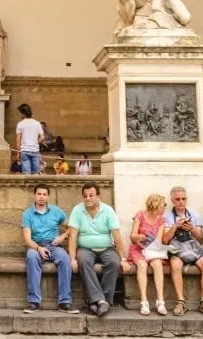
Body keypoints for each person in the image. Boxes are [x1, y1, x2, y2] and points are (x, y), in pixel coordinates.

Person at [68, 181, 126, 317]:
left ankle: (98, 301)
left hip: (106, 248)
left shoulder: (108, 211)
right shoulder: (78, 210)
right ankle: (102, 301)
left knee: (114, 262)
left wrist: (123, 258)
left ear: (98, 196)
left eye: (91, 195)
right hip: (85, 248)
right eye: (85, 196)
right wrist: (72, 259)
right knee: (83, 261)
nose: (88, 198)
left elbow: (117, 237)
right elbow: (72, 237)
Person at [161, 186, 203, 317]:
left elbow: (201, 240)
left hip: (193, 247)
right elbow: (165, 240)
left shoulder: (194, 215)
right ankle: (181, 302)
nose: (181, 201)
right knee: (175, 265)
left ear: (187, 200)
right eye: (177, 199)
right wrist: (175, 226)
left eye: (183, 199)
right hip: (176, 247)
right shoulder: (167, 216)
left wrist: (192, 229)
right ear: (172, 200)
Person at [21, 184, 75, 313]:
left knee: (65, 259)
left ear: (48, 197)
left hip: (54, 245)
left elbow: (72, 227)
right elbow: (27, 239)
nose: (41, 197)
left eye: (44, 194)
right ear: (34, 195)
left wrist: (63, 236)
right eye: (39, 194)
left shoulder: (56, 211)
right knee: (31, 257)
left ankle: (64, 302)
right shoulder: (28, 214)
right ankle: (34, 302)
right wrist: (39, 248)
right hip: (36, 245)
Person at [128, 193, 167, 316]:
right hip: (138, 248)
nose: (165, 207)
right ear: (156, 206)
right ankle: (144, 301)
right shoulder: (140, 215)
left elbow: (159, 240)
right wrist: (138, 237)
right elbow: (132, 236)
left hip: (152, 249)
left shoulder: (161, 219)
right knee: (142, 265)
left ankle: (160, 301)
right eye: (163, 205)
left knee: (158, 265)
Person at [14, 103, 44, 174]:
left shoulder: (20, 124)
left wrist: (18, 153)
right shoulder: (37, 123)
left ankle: (28, 185)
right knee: (36, 173)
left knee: (26, 173)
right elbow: (42, 137)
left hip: (24, 150)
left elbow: (18, 140)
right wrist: (36, 142)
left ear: (23, 114)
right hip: (35, 150)